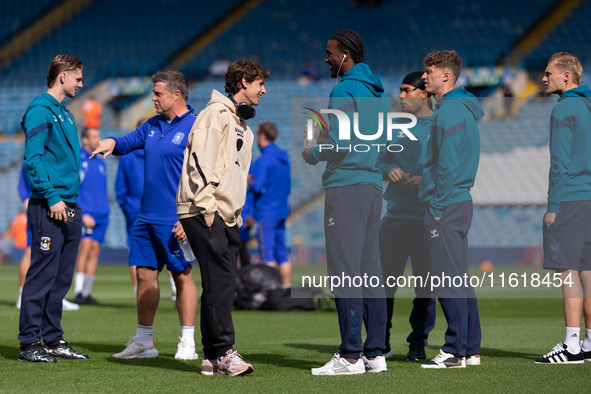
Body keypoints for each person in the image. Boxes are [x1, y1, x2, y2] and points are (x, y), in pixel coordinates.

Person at [91, 71, 199, 361]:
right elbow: (126, 143)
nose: (153, 98)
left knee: (182, 276)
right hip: (145, 216)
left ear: (177, 95)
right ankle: (144, 342)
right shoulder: (152, 124)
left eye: (158, 93)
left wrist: (191, 218)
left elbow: (204, 175)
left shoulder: (196, 126)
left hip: (176, 219)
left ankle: (187, 341)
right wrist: (110, 143)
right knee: (144, 277)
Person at [302, 29, 388, 375]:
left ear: (345, 55)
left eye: (329, 52)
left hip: (346, 186)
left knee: (345, 272)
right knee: (371, 271)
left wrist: (313, 152)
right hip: (372, 186)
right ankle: (375, 353)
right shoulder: (379, 95)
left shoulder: (344, 89)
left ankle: (350, 355)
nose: (326, 58)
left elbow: (339, 144)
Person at [177, 59, 269, 376]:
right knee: (220, 284)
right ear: (244, 81)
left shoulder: (243, 125)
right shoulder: (214, 114)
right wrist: (207, 206)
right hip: (205, 210)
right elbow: (200, 161)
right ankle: (225, 353)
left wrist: (236, 213)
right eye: (260, 83)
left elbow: (237, 175)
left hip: (227, 214)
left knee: (221, 284)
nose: (264, 90)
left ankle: (212, 356)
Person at [18, 54, 88, 363]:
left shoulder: (66, 114)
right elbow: (33, 159)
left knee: (61, 279)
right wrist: (52, 197)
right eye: (78, 78)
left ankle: (53, 338)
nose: (81, 84)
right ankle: (29, 343)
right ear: (63, 76)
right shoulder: (39, 111)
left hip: (69, 206)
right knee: (42, 275)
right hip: (50, 206)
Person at [418, 50, 483, 369]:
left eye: (428, 71)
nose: (423, 77)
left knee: (446, 278)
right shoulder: (457, 108)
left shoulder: (450, 110)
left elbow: (448, 163)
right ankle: (470, 349)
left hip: (447, 202)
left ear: (446, 75)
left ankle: (455, 349)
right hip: (458, 200)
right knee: (457, 277)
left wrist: (438, 205)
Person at [375, 71, 436, 362]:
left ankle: (418, 344)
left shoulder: (440, 125)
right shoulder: (395, 126)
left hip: (426, 218)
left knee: (425, 290)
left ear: (423, 93)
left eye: (406, 90)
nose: (400, 96)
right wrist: (388, 170)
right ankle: (379, 343)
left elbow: (452, 165)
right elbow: (379, 159)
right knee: (383, 287)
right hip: (394, 218)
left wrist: (426, 180)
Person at [536, 52, 591, 364]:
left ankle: (571, 346)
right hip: (590, 199)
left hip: (569, 198)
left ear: (566, 77)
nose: (544, 79)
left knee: (567, 271)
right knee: (588, 271)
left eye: (548, 74)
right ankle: (589, 343)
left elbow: (560, 163)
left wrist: (552, 206)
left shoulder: (565, 108)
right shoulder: (587, 106)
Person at [114, 118, 178, 300]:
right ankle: (139, 294)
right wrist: (128, 209)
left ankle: (175, 290)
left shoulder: (162, 152)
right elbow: (120, 188)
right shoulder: (128, 157)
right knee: (139, 254)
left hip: (162, 209)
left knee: (169, 248)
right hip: (136, 212)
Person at [15, 166, 79, 312]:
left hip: (58, 207)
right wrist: (26, 198)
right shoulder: (35, 158)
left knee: (58, 251)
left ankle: (55, 297)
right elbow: (22, 182)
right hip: (39, 208)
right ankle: (22, 293)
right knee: (30, 250)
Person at [250, 122, 291, 286]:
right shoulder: (284, 158)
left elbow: (258, 186)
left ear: (261, 136)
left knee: (267, 254)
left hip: (266, 212)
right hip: (281, 210)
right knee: (282, 254)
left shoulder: (264, 160)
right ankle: (286, 288)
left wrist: (248, 182)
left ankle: (271, 291)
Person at [72, 127, 110, 305]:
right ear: (85, 140)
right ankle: (78, 292)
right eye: (94, 136)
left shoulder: (101, 159)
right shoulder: (78, 159)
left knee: (95, 251)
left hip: (102, 213)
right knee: (85, 248)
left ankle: (87, 293)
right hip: (87, 213)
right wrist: (83, 212)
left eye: (98, 135)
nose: (98, 139)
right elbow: (74, 187)